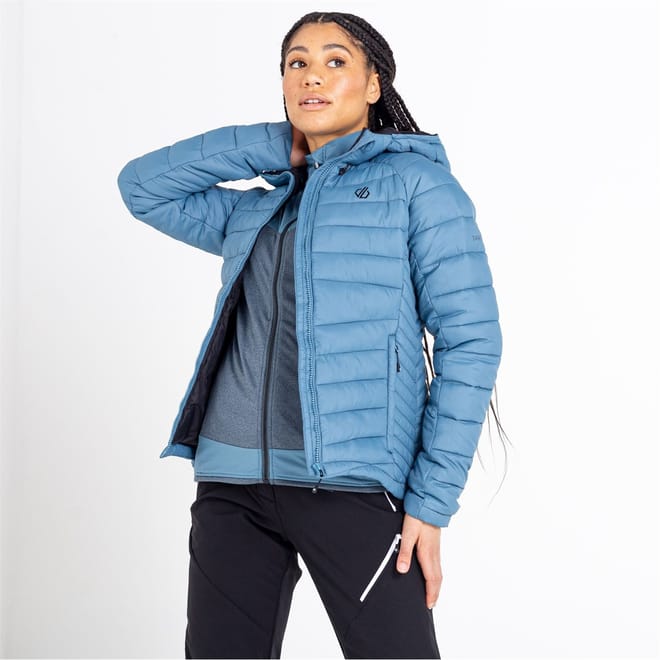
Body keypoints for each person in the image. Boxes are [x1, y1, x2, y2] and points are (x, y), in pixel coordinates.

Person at [117, 10, 502, 659]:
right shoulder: (259, 205)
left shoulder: (418, 187)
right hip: (232, 484)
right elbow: (142, 187)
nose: (312, 76)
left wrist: (431, 501)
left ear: (374, 85)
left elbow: (471, 341)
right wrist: (280, 145)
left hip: (354, 485)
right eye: (297, 62)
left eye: (335, 61)